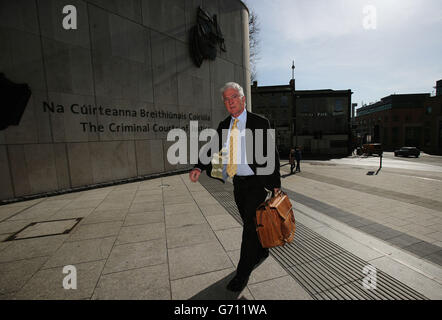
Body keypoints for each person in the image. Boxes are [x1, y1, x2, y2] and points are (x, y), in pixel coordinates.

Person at [189, 82, 281, 292]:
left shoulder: (259, 122)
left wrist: (275, 185)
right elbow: (212, 147)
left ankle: (242, 274)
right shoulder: (224, 125)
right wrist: (198, 166)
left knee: (249, 229)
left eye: (234, 97)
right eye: (227, 100)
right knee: (251, 223)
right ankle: (262, 250)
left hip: (257, 184)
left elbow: (271, 154)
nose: (230, 102)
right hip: (238, 183)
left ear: (242, 99)